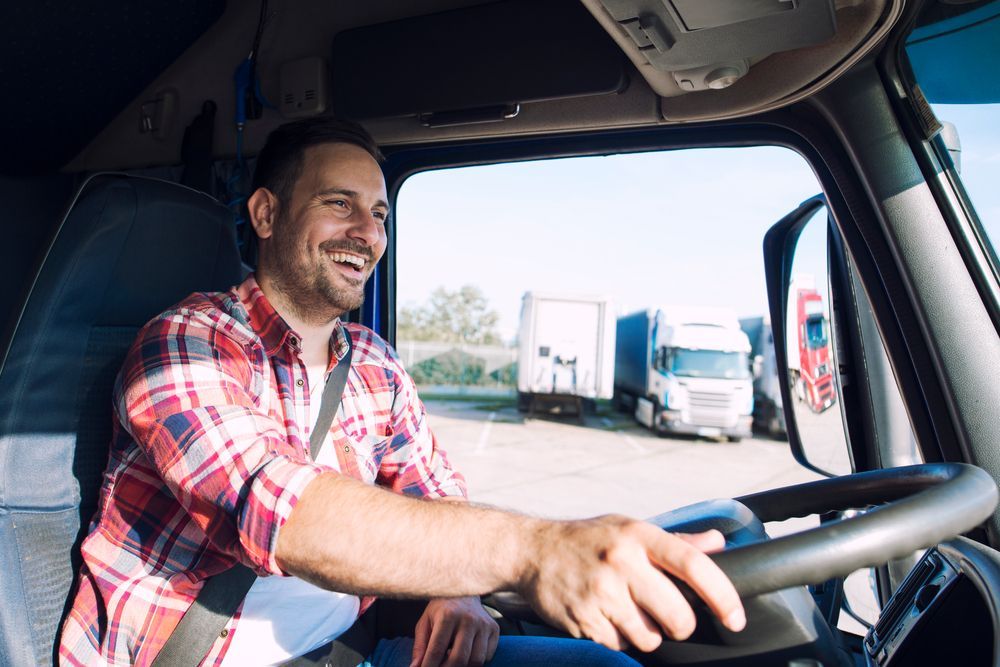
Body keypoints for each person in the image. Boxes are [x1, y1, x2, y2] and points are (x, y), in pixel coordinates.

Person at [59, 117, 745, 667]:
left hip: (353, 652)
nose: (368, 234)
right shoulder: (186, 341)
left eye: (381, 214)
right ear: (266, 214)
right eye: (340, 204)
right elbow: (280, 511)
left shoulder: (374, 364)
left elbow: (433, 488)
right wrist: (537, 550)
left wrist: (462, 590)